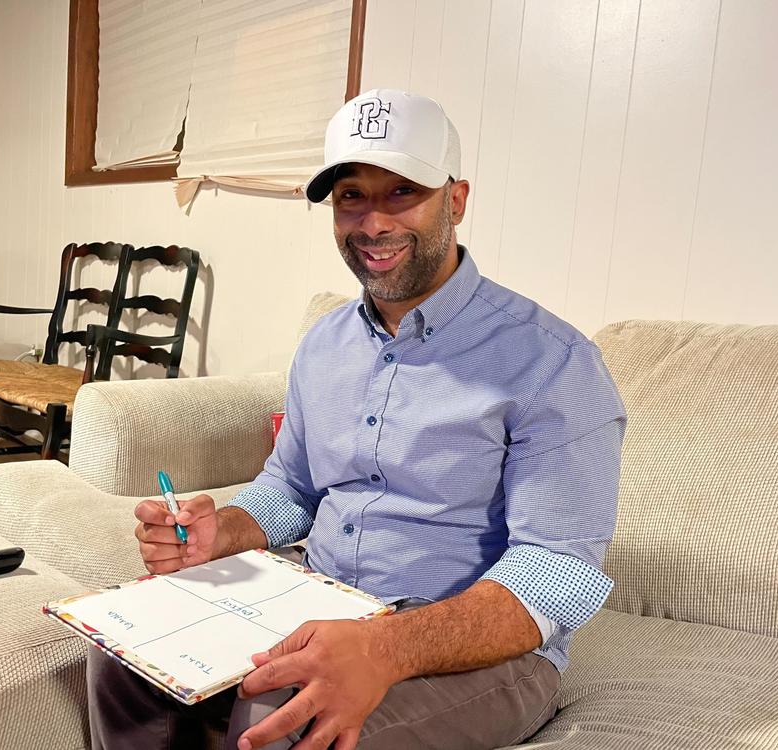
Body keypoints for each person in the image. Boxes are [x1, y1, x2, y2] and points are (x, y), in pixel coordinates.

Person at [88, 89, 627, 750]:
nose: (373, 223)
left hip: (481, 650)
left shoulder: (552, 361)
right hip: (323, 599)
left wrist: (385, 648)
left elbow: (556, 575)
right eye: (351, 196)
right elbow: (291, 490)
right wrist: (218, 532)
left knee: (286, 721)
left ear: (455, 201)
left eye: (402, 192)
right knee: (124, 653)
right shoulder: (325, 343)